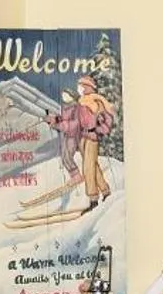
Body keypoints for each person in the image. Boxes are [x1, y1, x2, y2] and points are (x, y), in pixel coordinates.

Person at [74, 74, 115, 211]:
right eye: (79, 85)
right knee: (94, 166)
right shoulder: (81, 102)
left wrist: (100, 130)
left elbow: (106, 120)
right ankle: (106, 192)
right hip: (83, 138)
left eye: (81, 86)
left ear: (87, 87)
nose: (79, 88)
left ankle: (93, 199)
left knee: (88, 168)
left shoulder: (95, 102)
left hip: (92, 137)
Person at [44, 90, 82, 181]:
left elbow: (73, 123)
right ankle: (73, 176)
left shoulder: (77, 108)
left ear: (72, 96)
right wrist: (54, 119)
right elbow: (63, 119)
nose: (64, 97)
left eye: (66, 95)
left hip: (73, 136)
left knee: (68, 156)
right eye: (63, 95)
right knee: (64, 157)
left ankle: (77, 176)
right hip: (66, 136)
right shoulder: (65, 107)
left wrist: (57, 125)